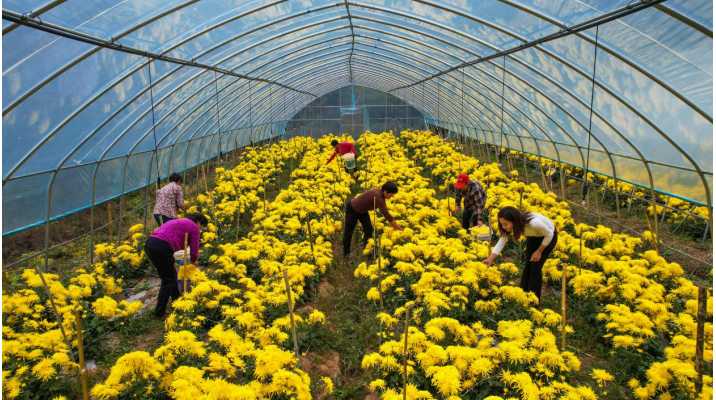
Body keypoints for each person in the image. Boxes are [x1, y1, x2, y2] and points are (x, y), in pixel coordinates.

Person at [482, 206, 558, 300]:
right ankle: (523, 294)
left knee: (535, 267)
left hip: (549, 237)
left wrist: (539, 251)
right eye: (501, 224)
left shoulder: (534, 224)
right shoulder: (517, 225)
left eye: (505, 224)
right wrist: (490, 258)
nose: (503, 227)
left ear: (514, 221)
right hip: (534, 236)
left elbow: (549, 234)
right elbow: (502, 240)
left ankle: (533, 300)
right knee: (528, 264)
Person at [144, 213, 208, 317]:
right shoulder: (194, 227)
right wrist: (194, 261)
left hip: (150, 243)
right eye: (202, 226)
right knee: (168, 280)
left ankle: (177, 302)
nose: (200, 229)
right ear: (199, 222)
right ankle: (159, 312)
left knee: (171, 276)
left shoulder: (179, 221)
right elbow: (194, 250)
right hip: (162, 246)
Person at [343, 182, 402, 257]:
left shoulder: (379, 192)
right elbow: (387, 215)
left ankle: (367, 250)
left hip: (362, 211)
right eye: (391, 194)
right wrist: (399, 229)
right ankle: (346, 254)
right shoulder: (378, 198)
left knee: (368, 229)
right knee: (349, 231)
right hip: (353, 209)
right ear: (385, 191)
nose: (392, 196)